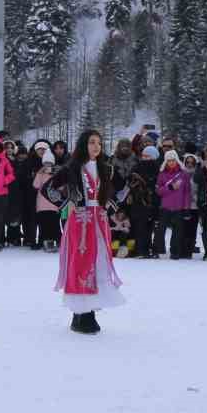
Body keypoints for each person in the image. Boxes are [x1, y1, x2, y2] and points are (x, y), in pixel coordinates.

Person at [46, 130, 124, 334]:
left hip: (99, 220)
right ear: (83, 145)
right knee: (81, 264)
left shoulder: (107, 168)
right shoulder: (72, 168)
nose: (96, 146)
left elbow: (124, 188)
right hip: (80, 222)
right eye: (91, 142)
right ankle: (80, 313)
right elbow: (48, 189)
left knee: (98, 263)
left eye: (99, 142)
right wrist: (68, 203)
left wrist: (109, 205)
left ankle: (88, 312)